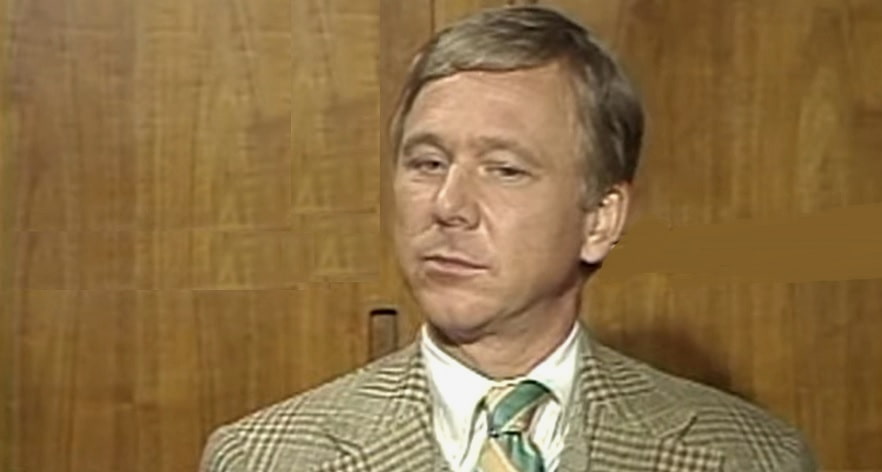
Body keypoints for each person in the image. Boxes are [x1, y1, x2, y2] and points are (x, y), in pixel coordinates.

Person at [201, 6, 816, 471]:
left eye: (505, 169)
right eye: (427, 163)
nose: (448, 206)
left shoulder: (748, 458)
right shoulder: (264, 458)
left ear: (600, 219)